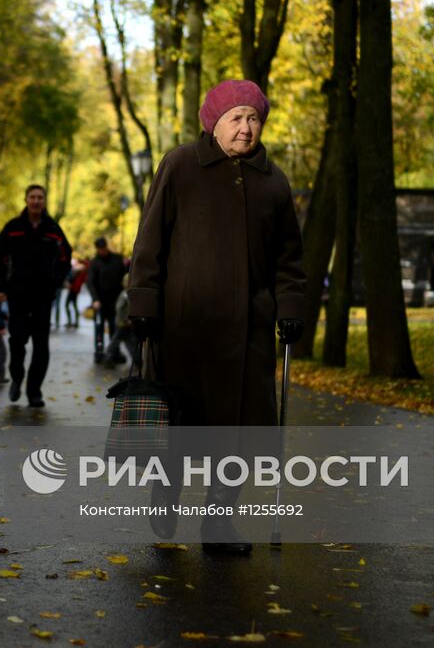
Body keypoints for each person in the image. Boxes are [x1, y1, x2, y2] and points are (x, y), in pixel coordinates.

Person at [129, 79, 305, 554]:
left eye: (253, 119)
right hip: (185, 327)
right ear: (214, 122)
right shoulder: (182, 165)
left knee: (241, 434)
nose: (246, 129)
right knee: (184, 425)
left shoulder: (274, 181)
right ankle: (166, 491)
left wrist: (290, 309)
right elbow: (149, 243)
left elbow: (291, 261)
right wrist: (142, 303)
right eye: (236, 118)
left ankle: (219, 522)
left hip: (248, 333)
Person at [0, 184, 73, 407]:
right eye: (32, 197)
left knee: (41, 345)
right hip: (17, 295)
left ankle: (34, 391)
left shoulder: (53, 229)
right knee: (17, 341)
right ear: (26, 200)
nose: (36, 201)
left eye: (40, 197)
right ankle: (17, 377)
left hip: (43, 297)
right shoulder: (13, 227)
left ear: (44, 201)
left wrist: (55, 281)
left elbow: (66, 257)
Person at [86, 237, 127, 364]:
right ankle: (99, 351)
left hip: (115, 301)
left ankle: (114, 352)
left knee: (115, 328)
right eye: (100, 249)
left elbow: (123, 276)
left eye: (104, 248)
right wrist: (95, 299)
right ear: (97, 249)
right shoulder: (94, 263)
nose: (102, 251)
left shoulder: (117, 259)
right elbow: (90, 282)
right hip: (100, 302)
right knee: (99, 328)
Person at [64, 258, 87, 328]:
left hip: (74, 289)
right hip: (75, 289)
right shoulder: (80, 270)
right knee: (72, 305)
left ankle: (72, 321)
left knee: (69, 305)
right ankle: (74, 322)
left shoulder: (79, 270)